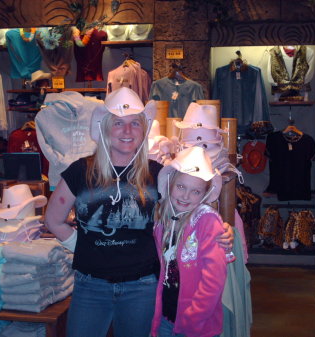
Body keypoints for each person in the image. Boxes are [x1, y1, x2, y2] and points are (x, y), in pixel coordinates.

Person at [44, 87, 233, 337]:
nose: (127, 131)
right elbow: (53, 219)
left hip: (141, 286)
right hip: (90, 285)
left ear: (144, 129)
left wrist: (225, 229)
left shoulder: (159, 174)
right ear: (104, 126)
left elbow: (192, 210)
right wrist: (84, 246)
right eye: (118, 123)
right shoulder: (81, 171)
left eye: (135, 123)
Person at [151, 146, 228, 337]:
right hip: (165, 318)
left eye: (195, 191)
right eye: (181, 187)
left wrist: (192, 319)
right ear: (170, 184)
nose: (185, 196)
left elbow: (214, 279)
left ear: (205, 194)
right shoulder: (162, 219)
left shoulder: (206, 221)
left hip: (196, 324)